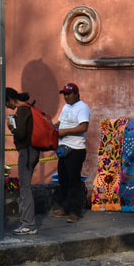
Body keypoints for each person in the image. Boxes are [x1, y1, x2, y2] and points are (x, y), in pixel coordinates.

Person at [53, 82, 90, 223]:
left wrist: (65, 131)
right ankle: (66, 208)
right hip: (63, 147)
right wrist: (53, 127)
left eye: (69, 94)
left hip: (76, 149)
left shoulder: (83, 108)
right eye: (65, 94)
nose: (66, 97)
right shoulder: (66, 107)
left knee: (74, 181)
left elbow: (83, 127)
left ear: (76, 94)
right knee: (63, 180)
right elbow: (60, 122)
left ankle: (76, 211)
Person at [5, 87, 40, 235]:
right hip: (32, 150)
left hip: (26, 151)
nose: (8, 107)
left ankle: (28, 224)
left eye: (7, 103)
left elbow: (20, 134)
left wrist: (11, 127)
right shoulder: (30, 108)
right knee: (25, 187)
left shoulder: (23, 110)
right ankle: (27, 222)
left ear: (11, 99)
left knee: (25, 188)